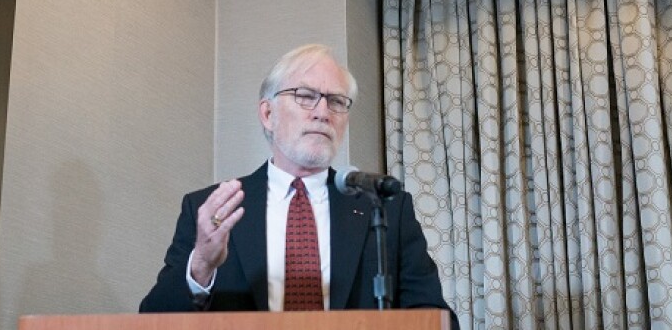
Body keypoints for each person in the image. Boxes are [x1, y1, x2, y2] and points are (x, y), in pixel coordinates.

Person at [139, 44, 457, 328]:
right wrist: (201, 266)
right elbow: (154, 321)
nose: (322, 113)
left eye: (336, 101)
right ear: (267, 113)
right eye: (305, 97)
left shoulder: (386, 207)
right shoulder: (212, 208)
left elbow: (434, 316)